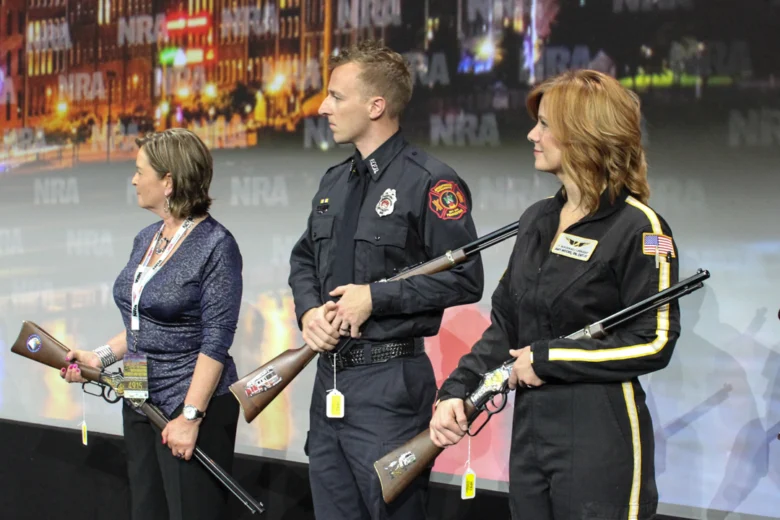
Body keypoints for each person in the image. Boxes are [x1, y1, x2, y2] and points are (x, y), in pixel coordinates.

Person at [430, 69, 681, 520]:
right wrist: (457, 389)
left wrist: (548, 359)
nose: (532, 134)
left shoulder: (641, 228)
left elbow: (655, 339)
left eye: (545, 124)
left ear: (585, 134)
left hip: (598, 435)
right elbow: (506, 323)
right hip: (530, 433)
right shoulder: (537, 219)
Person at [288, 40, 484, 519]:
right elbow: (303, 259)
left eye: (336, 96)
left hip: (390, 387)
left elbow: (466, 279)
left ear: (376, 105)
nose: (323, 107)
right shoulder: (334, 181)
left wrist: (376, 298)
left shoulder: (431, 182)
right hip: (328, 381)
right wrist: (310, 310)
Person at [62, 128, 244, 520]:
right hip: (138, 394)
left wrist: (191, 416)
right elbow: (139, 324)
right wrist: (99, 358)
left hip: (187, 402)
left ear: (168, 181)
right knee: (146, 510)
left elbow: (216, 340)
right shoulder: (147, 237)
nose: (132, 179)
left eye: (139, 170)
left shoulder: (216, 245)